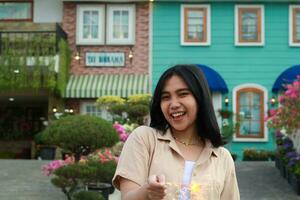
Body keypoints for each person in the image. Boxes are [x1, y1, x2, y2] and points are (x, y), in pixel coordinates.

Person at [112, 64, 240, 200]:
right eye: (166, 97)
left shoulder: (222, 158)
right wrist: (146, 192)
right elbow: (127, 196)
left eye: (183, 94)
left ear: (200, 98)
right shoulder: (144, 139)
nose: (173, 104)